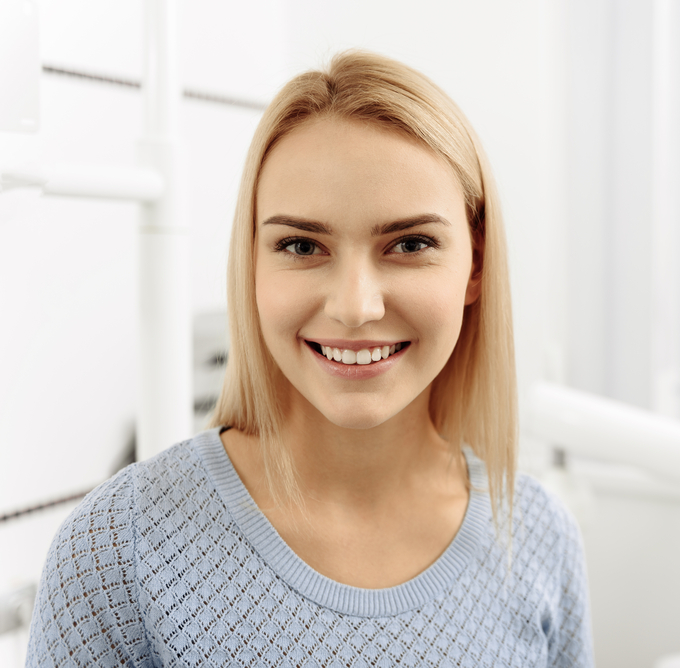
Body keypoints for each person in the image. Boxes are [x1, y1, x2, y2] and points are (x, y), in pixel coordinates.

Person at [26, 51, 593, 667]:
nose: (355, 307)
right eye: (301, 245)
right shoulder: (121, 547)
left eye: (409, 244)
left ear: (475, 265)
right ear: (252, 264)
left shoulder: (538, 538)